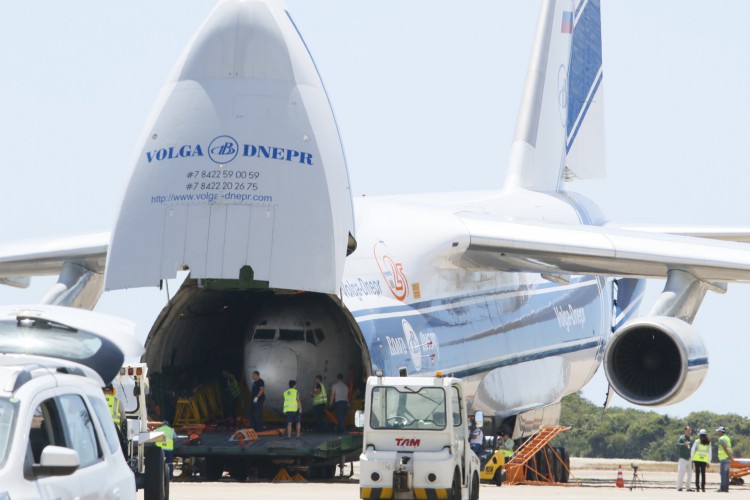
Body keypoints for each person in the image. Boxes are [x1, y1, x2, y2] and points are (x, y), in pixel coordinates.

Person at [691, 429, 711, 493]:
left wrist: (692, 459)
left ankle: (697, 487)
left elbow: (692, 450)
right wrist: (708, 462)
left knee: (697, 473)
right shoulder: (708, 443)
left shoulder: (697, 441)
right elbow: (710, 453)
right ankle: (703, 487)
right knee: (703, 473)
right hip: (704, 460)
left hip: (697, 459)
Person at [715, 426, 734, 492]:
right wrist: (730, 456)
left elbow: (725, 448)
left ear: (721, 432)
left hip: (724, 458)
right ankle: (726, 488)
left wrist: (729, 455)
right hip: (728, 458)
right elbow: (729, 448)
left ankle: (722, 488)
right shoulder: (727, 438)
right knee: (726, 474)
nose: (717, 432)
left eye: (718, 431)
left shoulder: (721, 438)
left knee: (723, 474)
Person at [676, 425, 693, 491]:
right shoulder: (682, 438)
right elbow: (677, 444)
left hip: (689, 458)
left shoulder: (691, 438)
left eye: (690, 430)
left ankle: (688, 487)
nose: (689, 432)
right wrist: (683, 444)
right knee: (681, 472)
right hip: (683, 458)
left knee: (690, 473)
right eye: (688, 430)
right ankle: (679, 487)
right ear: (685, 431)